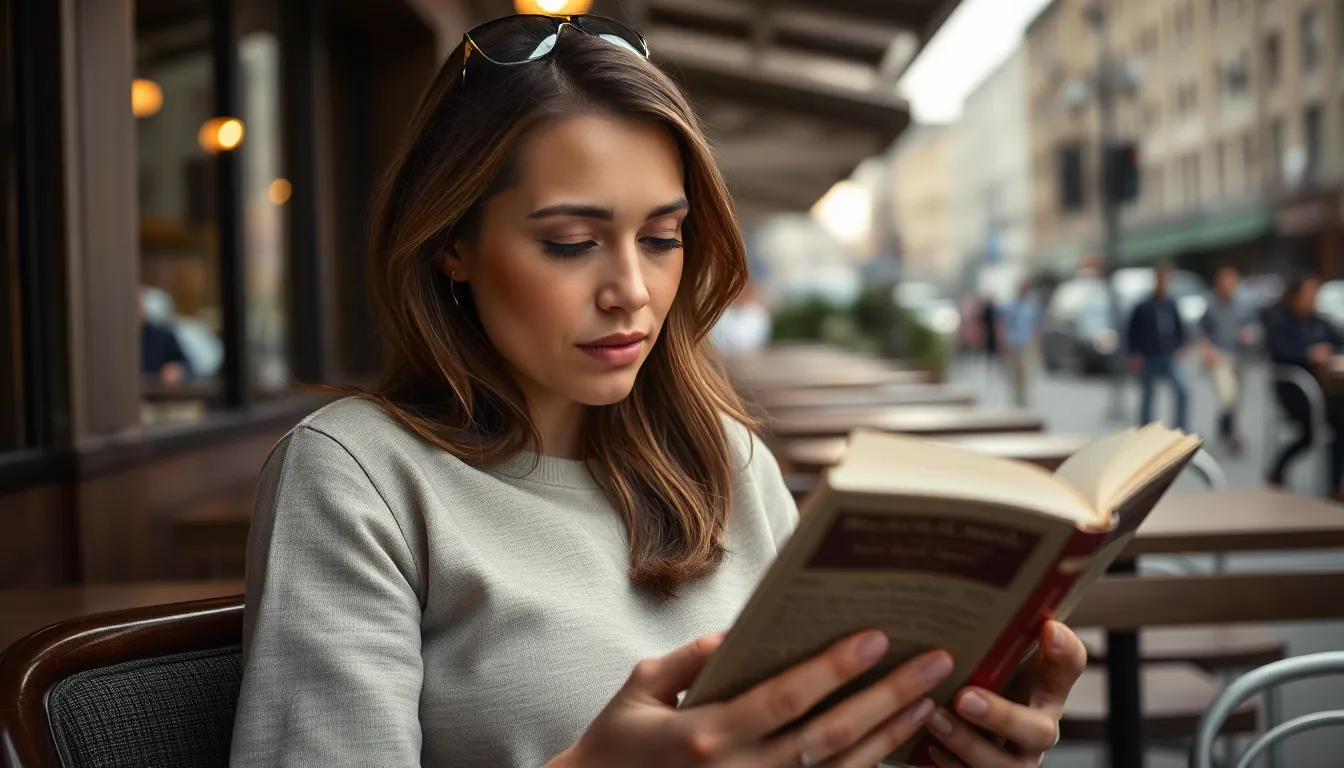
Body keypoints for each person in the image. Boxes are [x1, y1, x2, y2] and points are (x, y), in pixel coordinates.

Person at [229, 15, 1085, 768]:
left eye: (665, 237)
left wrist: (952, 750)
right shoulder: (357, 476)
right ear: (452, 243)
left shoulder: (729, 458)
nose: (631, 290)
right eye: (571, 241)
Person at [1264, 276, 1344, 498]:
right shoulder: (1280, 323)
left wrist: (1330, 352)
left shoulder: (1320, 322)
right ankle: (1333, 487)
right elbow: (1280, 354)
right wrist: (1308, 356)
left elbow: (1339, 342)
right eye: (1308, 295)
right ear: (1294, 296)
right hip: (1296, 392)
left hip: (1325, 391)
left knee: (1336, 424)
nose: (1312, 300)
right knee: (1327, 426)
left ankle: (1334, 484)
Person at [1198, 266, 1256, 454]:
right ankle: (1230, 434)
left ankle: (1228, 431)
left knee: (1236, 399)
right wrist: (1206, 349)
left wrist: (1249, 334)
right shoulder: (1211, 303)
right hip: (1219, 354)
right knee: (1227, 395)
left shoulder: (1242, 304)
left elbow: (1254, 326)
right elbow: (1201, 329)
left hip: (1239, 355)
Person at [1126, 262, 1189, 431]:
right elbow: (1132, 331)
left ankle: (1181, 426)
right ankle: (1145, 427)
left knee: (1183, 389)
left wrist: (1180, 346)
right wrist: (1134, 353)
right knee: (1148, 395)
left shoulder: (1171, 304)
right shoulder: (1143, 306)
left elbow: (1179, 328)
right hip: (1149, 356)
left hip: (1168, 355)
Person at [997, 279, 1039, 407]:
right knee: (1013, 370)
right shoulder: (1009, 305)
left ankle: (1023, 395)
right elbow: (1002, 324)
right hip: (1012, 341)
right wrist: (1002, 340)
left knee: (1026, 370)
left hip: (1026, 342)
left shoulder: (1031, 306)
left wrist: (1036, 341)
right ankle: (1015, 395)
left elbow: (1034, 325)